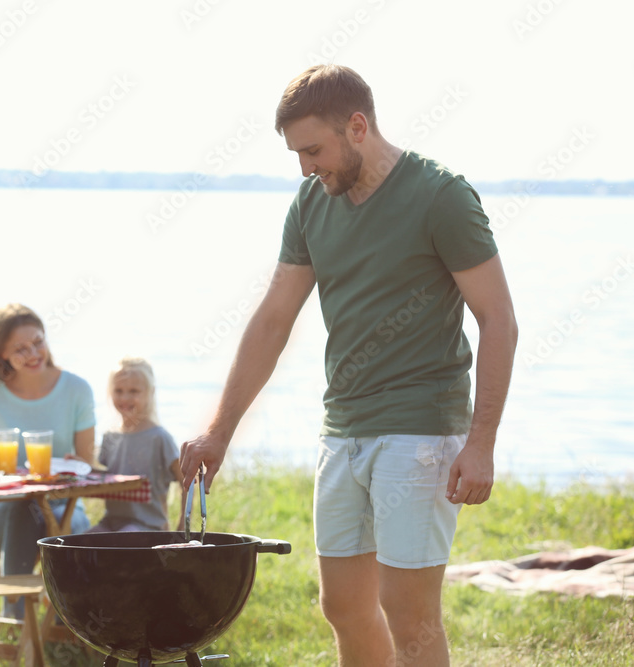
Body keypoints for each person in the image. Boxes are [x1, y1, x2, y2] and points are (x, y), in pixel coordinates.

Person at [180, 65, 518, 666]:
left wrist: (481, 441)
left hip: (420, 429)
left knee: (408, 610)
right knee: (342, 606)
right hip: (343, 430)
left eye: (313, 149)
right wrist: (218, 431)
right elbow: (272, 321)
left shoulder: (441, 195)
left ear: (357, 126)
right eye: (296, 154)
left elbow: (499, 320)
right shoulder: (312, 202)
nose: (306, 167)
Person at [0, 303, 94, 616]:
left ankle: (17, 622)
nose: (33, 353)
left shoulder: (77, 390)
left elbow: (87, 465)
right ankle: (19, 624)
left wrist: (74, 464)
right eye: (20, 349)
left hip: (64, 512)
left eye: (38, 341)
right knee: (21, 509)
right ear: (2, 354)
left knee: (30, 511)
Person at [87, 357, 185, 533]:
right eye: (118, 390)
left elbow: (187, 482)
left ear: (150, 392)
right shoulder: (110, 436)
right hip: (111, 523)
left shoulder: (159, 438)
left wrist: (183, 524)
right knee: (79, 544)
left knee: (125, 538)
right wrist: (79, 468)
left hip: (149, 526)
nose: (125, 398)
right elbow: (111, 477)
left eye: (133, 391)